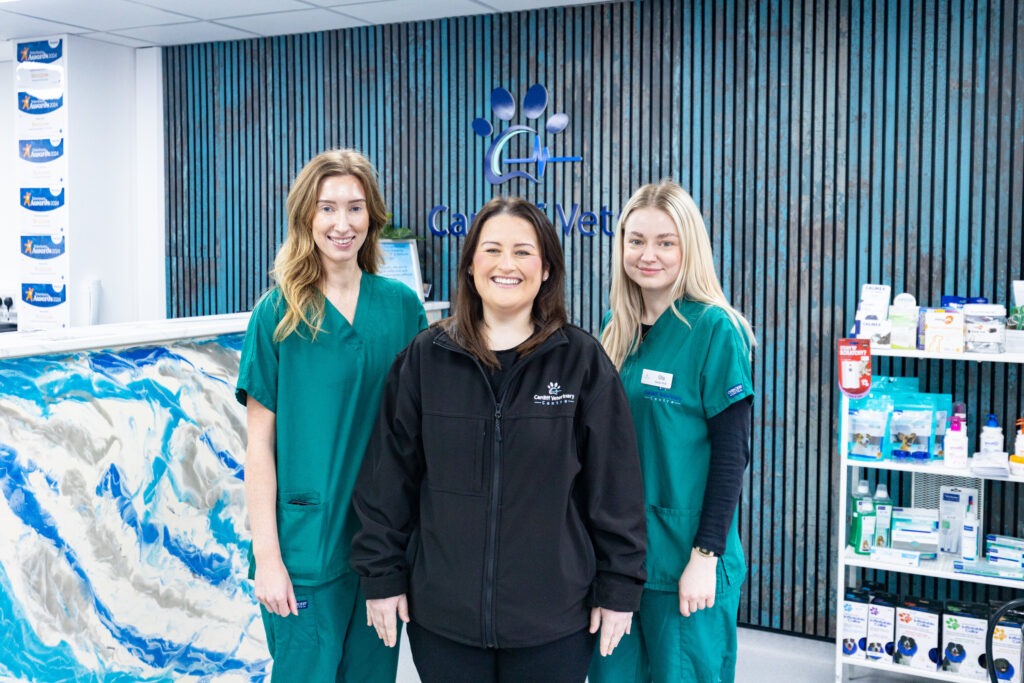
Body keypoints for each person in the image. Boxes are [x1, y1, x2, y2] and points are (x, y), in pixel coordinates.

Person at [350, 197, 647, 683]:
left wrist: (619, 590)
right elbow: (388, 480)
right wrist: (381, 578)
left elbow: (615, 489)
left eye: (523, 252)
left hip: (554, 624)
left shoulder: (581, 362)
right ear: (470, 266)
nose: (506, 264)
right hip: (445, 622)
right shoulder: (426, 359)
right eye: (491, 250)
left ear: (547, 269)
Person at [236, 149, 427, 683]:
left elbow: (418, 439)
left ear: (373, 217)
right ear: (306, 217)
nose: (342, 224)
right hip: (304, 554)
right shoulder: (277, 314)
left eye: (355, 208)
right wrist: (268, 559)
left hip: (380, 554)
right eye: (327, 209)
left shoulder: (401, 308)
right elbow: (258, 446)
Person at [589, 180, 756, 683]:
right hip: (619, 561)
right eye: (636, 240)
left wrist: (705, 556)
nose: (648, 255)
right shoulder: (613, 328)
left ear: (690, 247)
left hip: (686, 559)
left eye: (666, 242)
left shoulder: (714, 329)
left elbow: (732, 454)